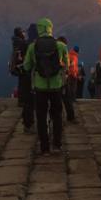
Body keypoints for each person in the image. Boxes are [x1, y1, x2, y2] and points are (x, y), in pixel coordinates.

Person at [22, 18, 69, 155]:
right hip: (56, 86)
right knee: (57, 115)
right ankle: (57, 145)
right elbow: (67, 65)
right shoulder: (60, 46)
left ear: (39, 29)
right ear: (50, 28)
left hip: (39, 86)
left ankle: (44, 148)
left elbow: (27, 66)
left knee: (41, 116)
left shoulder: (33, 46)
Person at [10, 27, 35, 133]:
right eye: (23, 32)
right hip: (25, 69)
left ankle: (21, 102)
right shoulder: (23, 43)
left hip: (20, 68)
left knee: (22, 87)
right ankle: (28, 123)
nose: (25, 33)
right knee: (28, 96)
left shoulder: (17, 41)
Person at [63, 42, 79, 123]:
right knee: (72, 88)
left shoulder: (70, 54)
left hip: (69, 74)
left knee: (71, 89)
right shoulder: (74, 56)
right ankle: (72, 99)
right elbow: (72, 65)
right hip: (72, 75)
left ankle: (72, 99)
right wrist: (74, 73)